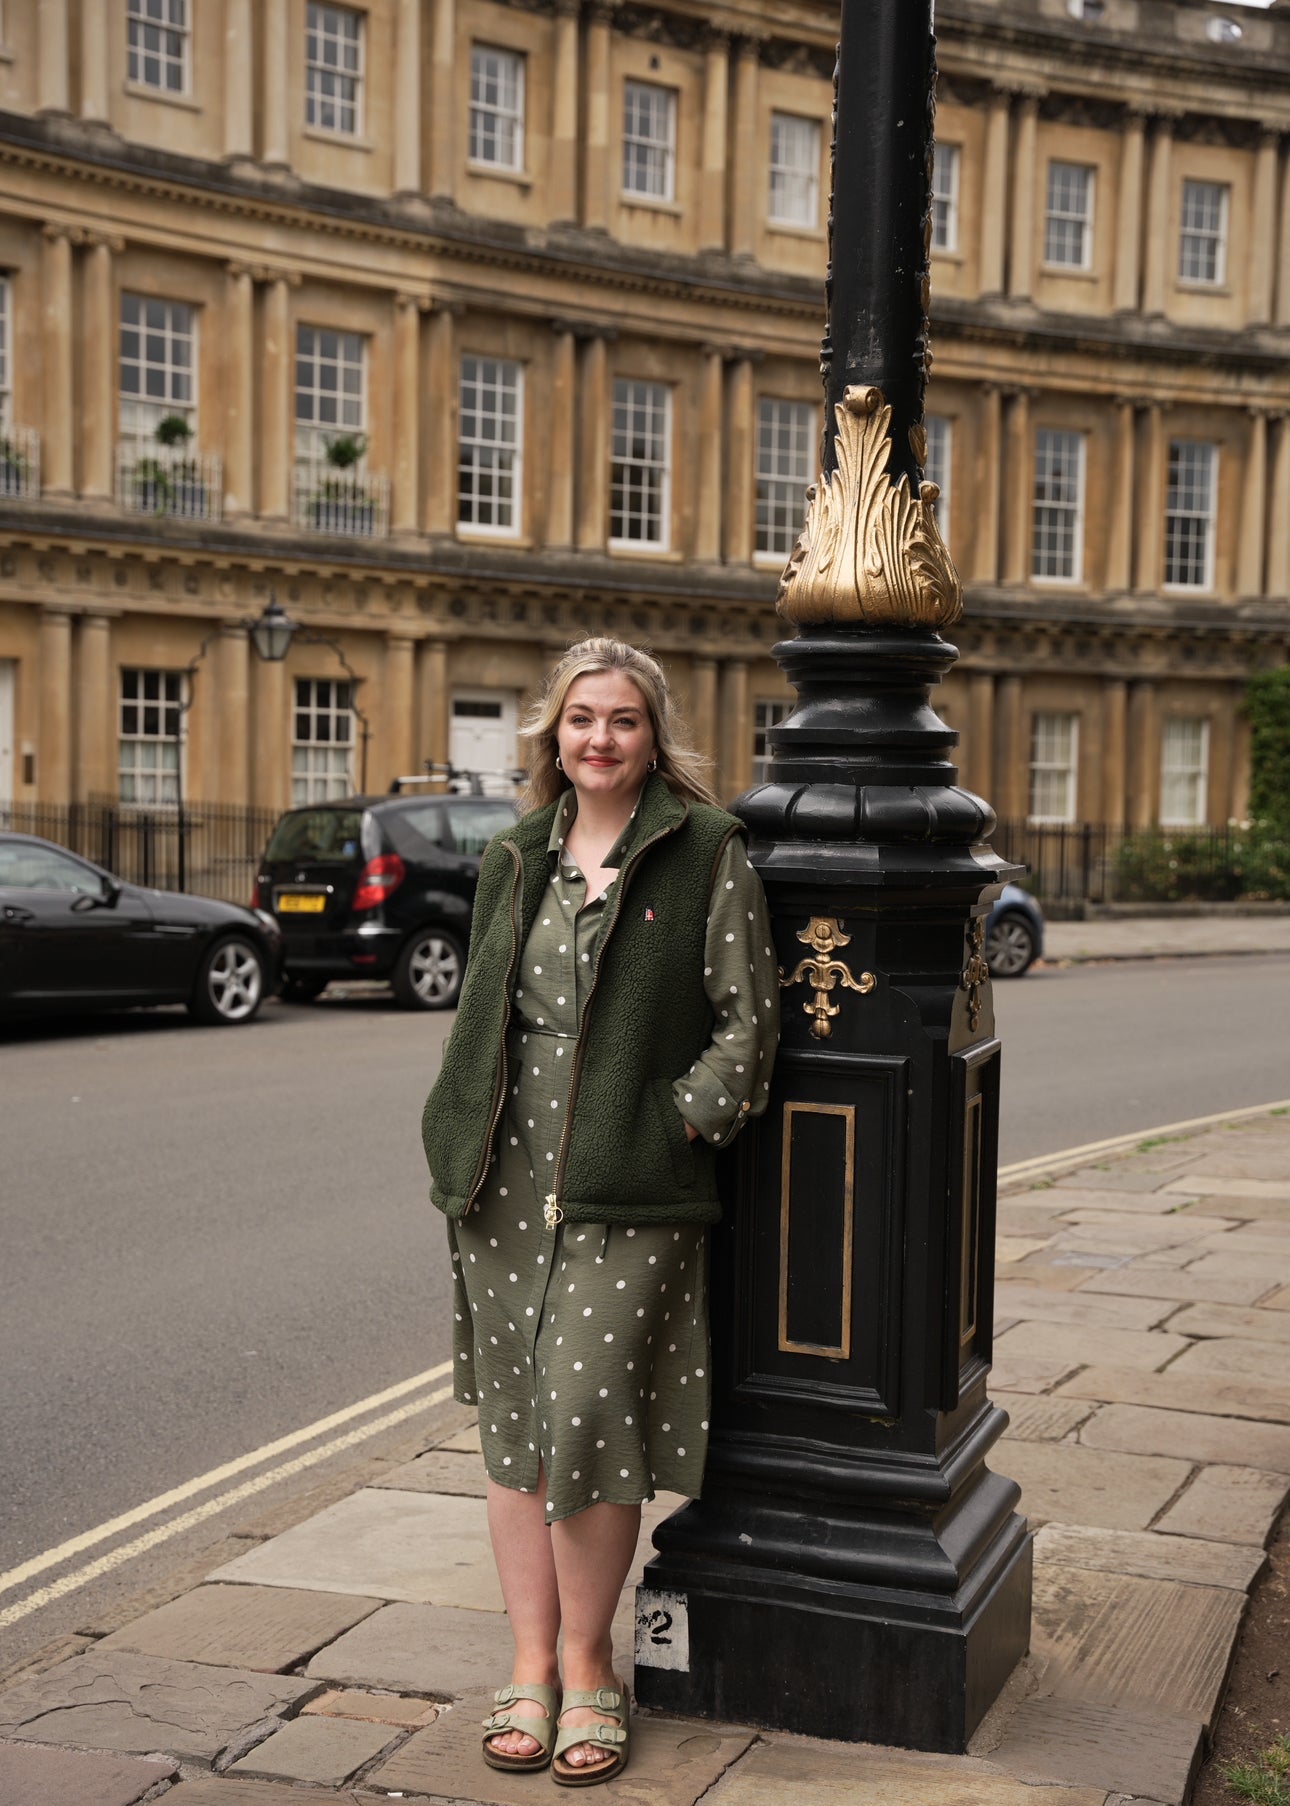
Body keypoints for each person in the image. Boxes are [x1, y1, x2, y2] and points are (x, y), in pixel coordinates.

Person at [421, 637, 779, 1787]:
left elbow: (748, 1028)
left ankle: (592, 1664)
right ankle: (530, 1664)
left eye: (622, 720)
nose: (600, 739)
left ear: (652, 733)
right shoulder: (515, 854)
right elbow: (482, 1012)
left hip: (630, 1184)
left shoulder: (705, 850)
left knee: (584, 1411)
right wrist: (455, 1122)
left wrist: (676, 1123)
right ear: (553, 734)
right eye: (582, 719)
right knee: (517, 1426)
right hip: (506, 1181)